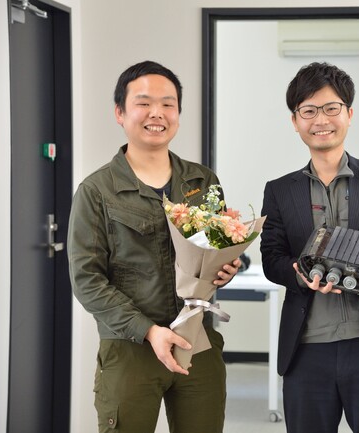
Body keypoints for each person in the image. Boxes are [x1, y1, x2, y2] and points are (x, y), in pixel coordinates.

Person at [67, 60, 240, 433]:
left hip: (197, 342)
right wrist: (148, 330)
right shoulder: (96, 191)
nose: (157, 113)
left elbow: (216, 249)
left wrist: (226, 268)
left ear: (178, 113)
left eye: (168, 104)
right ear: (120, 113)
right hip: (130, 347)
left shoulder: (202, 180)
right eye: (143, 103)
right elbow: (86, 280)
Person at [260, 62, 359, 433]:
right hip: (307, 347)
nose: (321, 120)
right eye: (309, 110)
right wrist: (300, 274)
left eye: (331, 108)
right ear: (295, 121)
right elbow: (272, 259)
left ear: (349, 114)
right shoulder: (280, 190)